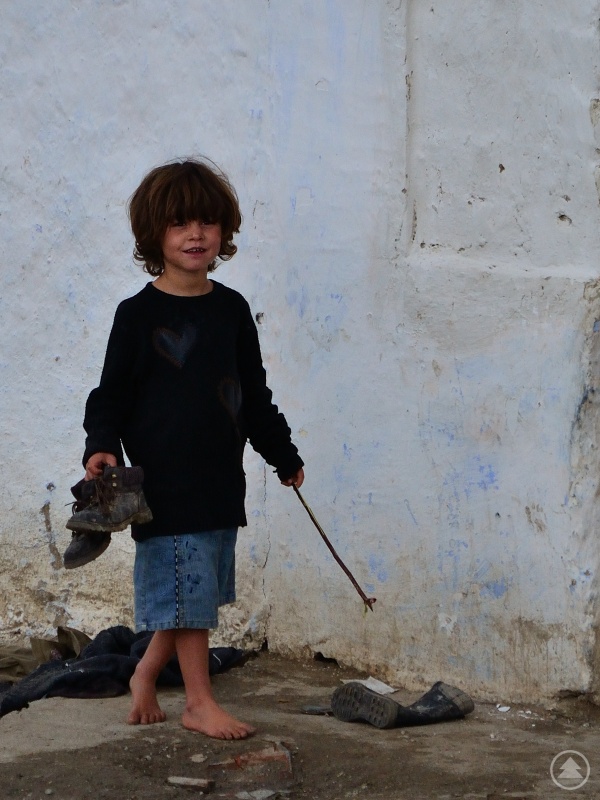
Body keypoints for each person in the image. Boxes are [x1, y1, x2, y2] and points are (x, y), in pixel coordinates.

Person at [79, 157, 304, 739]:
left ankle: (143, 677)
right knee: (187, 596)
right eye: (180, 224)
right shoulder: (136, 316)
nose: (196, 235)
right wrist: (101, 445)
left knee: (190, 596)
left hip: (218, 481)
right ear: (155, 234)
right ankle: (199, 702)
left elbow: (254, 396)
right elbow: (109, 394)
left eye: (206, 223)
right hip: (162, 484)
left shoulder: (231, 312)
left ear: (224, 232)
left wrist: (283, 455)